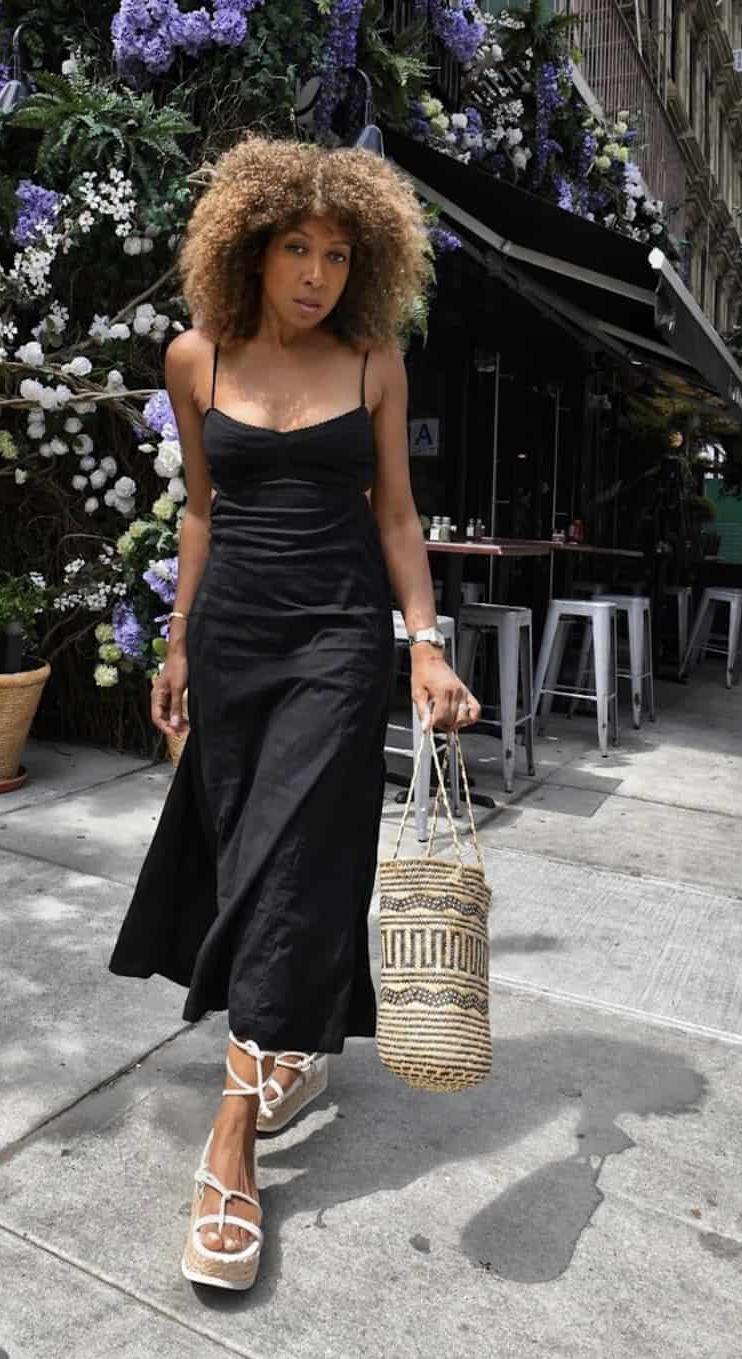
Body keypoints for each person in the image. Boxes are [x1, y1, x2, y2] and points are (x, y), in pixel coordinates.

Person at [109, 136, 479, 1291]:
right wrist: (173, 641)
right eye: (295, 248)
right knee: (244, 859)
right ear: (250, 251)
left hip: (333, 638)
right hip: (231, 645)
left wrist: (424, 646)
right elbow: (202, 516)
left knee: (292, 862)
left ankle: (230, 1145)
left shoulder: (372, 363)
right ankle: (290, 1044)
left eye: (335, 253)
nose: (315, 273)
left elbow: (398, 520)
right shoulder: (194, 361)